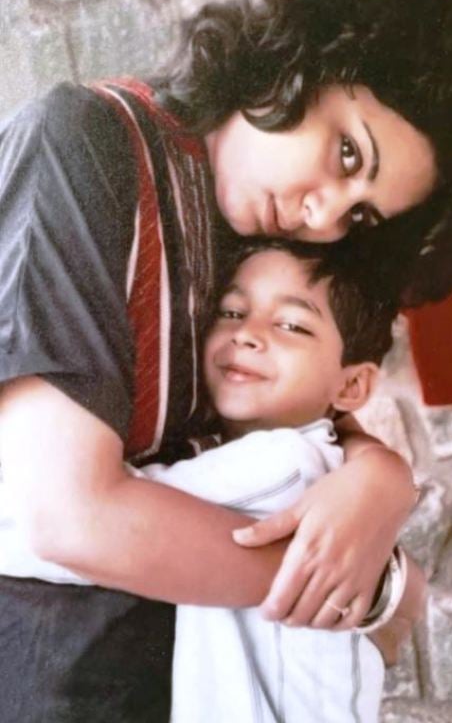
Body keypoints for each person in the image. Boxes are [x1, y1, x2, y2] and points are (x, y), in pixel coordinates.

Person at [0, 0, 452, 722]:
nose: (322, 215)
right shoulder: (84, 146)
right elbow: (68, 518)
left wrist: (378, 476)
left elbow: (319, 411)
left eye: (359, 219)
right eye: (349, 155)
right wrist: (372, 590)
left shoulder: (258, 236)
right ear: (304, 61)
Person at [0, 241, 426, 722]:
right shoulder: (306, 463)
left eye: (291, 325)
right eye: (231, 311)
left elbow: (65, 525)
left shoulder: (288, 466)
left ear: (351, 387)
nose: (247, 334)